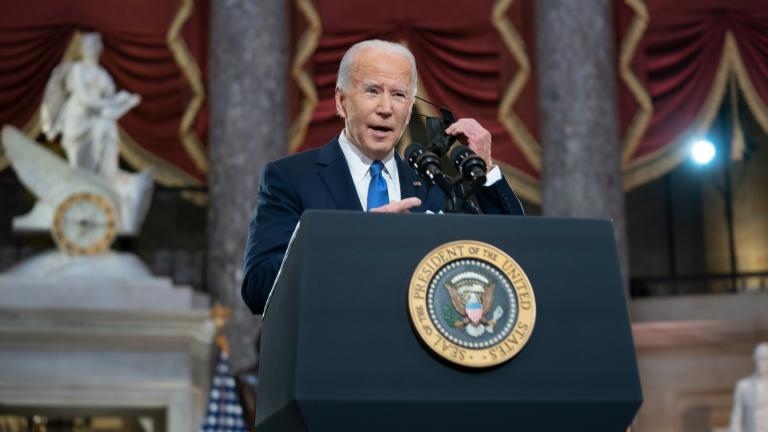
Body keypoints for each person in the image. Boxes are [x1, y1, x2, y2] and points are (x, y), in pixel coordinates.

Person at [241, 39, 525, 315]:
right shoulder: (290, 178)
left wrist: (484, 168)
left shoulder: (433, 185)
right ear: (341, 101)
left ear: (410, 108)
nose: (386, 108)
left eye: (399, 95)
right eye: (373, 91)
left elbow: (513, 257)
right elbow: (258, 287)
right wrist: (356, 240)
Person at [41, 32, 141, 182]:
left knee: (108, 128)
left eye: (94, 45)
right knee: (79, 167)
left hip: (97, 119)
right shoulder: (78, 69)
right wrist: (117, 101)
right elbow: (85, 98)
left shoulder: (104, 75)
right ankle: (79, 186)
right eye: (87, 45)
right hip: (78, 119)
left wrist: (127, 102)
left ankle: (107, 176)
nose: (91, 49)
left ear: (99, 49)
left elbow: (109, 109)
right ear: (82, 49)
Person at [730, 342, 768, 432]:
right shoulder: (743, 386)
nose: (761, 362)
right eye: (758, 358)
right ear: (754, 359)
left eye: (764, 359)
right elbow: (736, 416)